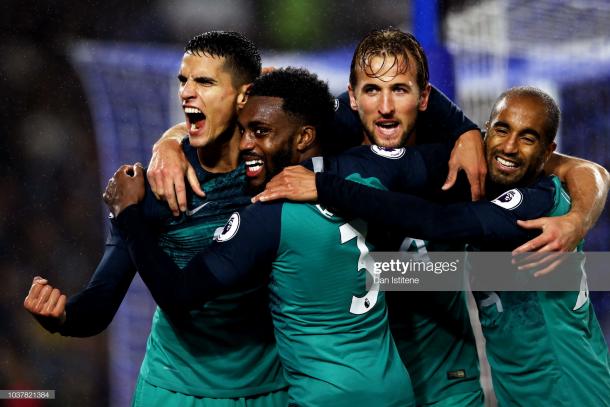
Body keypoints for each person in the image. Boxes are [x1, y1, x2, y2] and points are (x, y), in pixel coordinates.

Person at [253, 86, 610, 406]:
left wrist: (327, 188)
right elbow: (451, 271)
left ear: (548, 151)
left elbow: (440, 223)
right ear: (485, 132)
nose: (510, 146)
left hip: (569, 386)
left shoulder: (535, 205)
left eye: (528, 138)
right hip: (522, 386)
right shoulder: (497, 203)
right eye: (501, 130)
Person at [106, 67, 418, 406]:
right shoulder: (366, 184)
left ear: (303, 138)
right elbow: (403, 266)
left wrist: (128, 214)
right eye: (243, 130)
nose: (244, 144)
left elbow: (178, 295)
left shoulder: (267, 218)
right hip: (397, 392)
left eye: (260, 131)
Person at [24, 31, 289, 406]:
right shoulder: (150, 187)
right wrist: (63, 316)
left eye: (205, 81)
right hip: (172, 392)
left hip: (265, 392)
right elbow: (99, 304)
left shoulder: (280, 168)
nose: (186, 92)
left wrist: (170, 137)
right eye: (184, 80)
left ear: (243, 94)